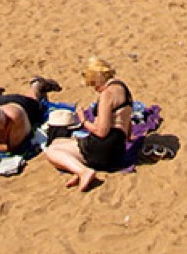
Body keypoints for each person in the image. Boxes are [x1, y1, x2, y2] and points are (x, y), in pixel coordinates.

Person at [42, 56, 134, 192]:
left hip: (103, 149)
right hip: (117, 147)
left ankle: (83, 171)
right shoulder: (123, 89)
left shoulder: (107, 95)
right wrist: (128, 139)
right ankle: (76, 169)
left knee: (51, 151)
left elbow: (102, 131)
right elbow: (127, 121)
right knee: (58, 142)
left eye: (94, 84)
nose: (96, 89)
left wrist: (84, 120)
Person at [0, 74, 62, 163]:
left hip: (21, 105)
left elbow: (13, 147)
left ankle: (37, 84)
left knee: (33, 99)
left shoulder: (16, 118)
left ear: (6, 123)